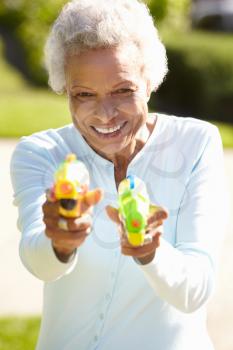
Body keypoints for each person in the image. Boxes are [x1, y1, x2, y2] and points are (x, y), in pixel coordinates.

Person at [10, 0, 228, 349]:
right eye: (84, 94)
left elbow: (195, 290)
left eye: (123, 90)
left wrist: (150, 251)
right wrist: (59, 243)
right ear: (65, 89)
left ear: (150, 81)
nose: (105, 113)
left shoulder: (195, 143)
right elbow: (39, 263)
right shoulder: (40, 152)